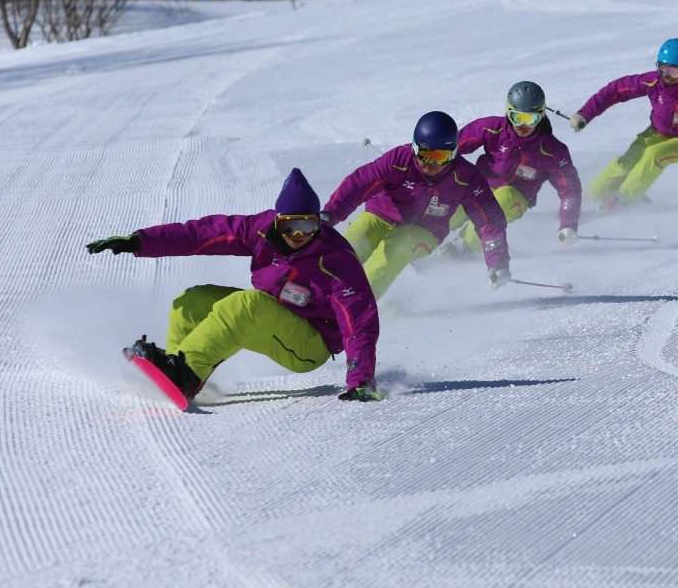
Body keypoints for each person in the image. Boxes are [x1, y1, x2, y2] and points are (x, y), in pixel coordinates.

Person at [85, 168, 384, 402]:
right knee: (191, 301)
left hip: (310, 345)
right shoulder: (260, 231)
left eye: (306, 225)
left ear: (318, 223)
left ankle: (185, 373)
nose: (297, 234)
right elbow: (199, 235)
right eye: (288, 226)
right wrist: (140, 241)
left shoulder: (335, 258)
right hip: (277, 315)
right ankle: (178, 369)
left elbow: (359, 320)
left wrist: (361, 379)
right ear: (277, 221)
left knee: (247, 305)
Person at [323, 110, 511, 299]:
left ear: (453, 154)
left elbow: (489, 218)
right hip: (381, 216)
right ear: (415, 147)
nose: (429, 164)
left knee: (399, 247)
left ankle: (352, 307)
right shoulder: (399, 160)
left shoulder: (465, 177)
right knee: (359, 237)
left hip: (425, 231)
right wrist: (329, 213)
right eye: (424, 154)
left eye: (439, 157)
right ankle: (317, 293)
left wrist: (498, 261)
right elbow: (359, 183)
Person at [568, 38, 678, 208]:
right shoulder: (653, 82)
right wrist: (585, 114)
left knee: (654, 154)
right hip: (658, 132)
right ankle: (591, 195)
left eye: (674, 71)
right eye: (663, 69)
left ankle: (622, 200)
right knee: (631, 157)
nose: (667, 76)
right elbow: (615, 90)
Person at [446, 80, 582, 253]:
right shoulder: (493, 129)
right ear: (508, 112)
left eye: (530, 118)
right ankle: (428, 238)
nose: (522, 125)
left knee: (503, 198)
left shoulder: (552, 150)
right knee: (461, 198)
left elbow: (570, 188)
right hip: (483, 185)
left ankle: (461, 247)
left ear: (541, 115)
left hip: (515, 198)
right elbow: (450, 147)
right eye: (517, 117)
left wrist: (568, 223)